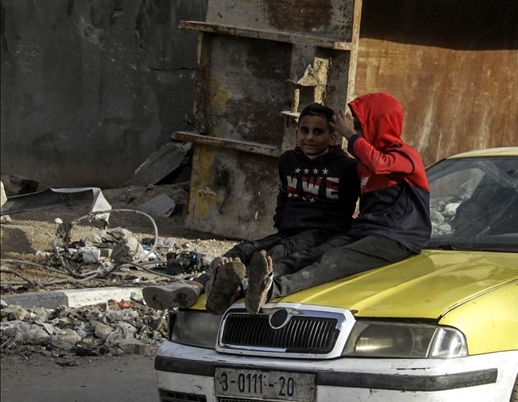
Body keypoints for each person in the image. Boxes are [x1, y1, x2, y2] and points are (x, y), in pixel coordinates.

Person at [143, 103, 360, 312]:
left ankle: (237, 288)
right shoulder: (289, 161)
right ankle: (196, 286)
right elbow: (284, 195)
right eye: (304, 131)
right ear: (296, 134)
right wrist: (281, 220)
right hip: (289, 230)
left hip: (322, 233)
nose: (309, 137)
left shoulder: (347, 168)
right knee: (244, 249)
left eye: (318, 132)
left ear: (333, 137)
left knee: (273, 255)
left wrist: (351, 134)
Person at [233, 92, 431, 314]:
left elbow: (379, 163)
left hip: (397, 237)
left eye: (359, 127)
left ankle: (272, 290)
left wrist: (348, 134)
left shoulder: (406, 155)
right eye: (353, 128)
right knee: (312, 253)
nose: (355, 133)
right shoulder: (361, 165)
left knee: (334, 260)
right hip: (365, 231)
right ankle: (247, 285)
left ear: (379, 125)